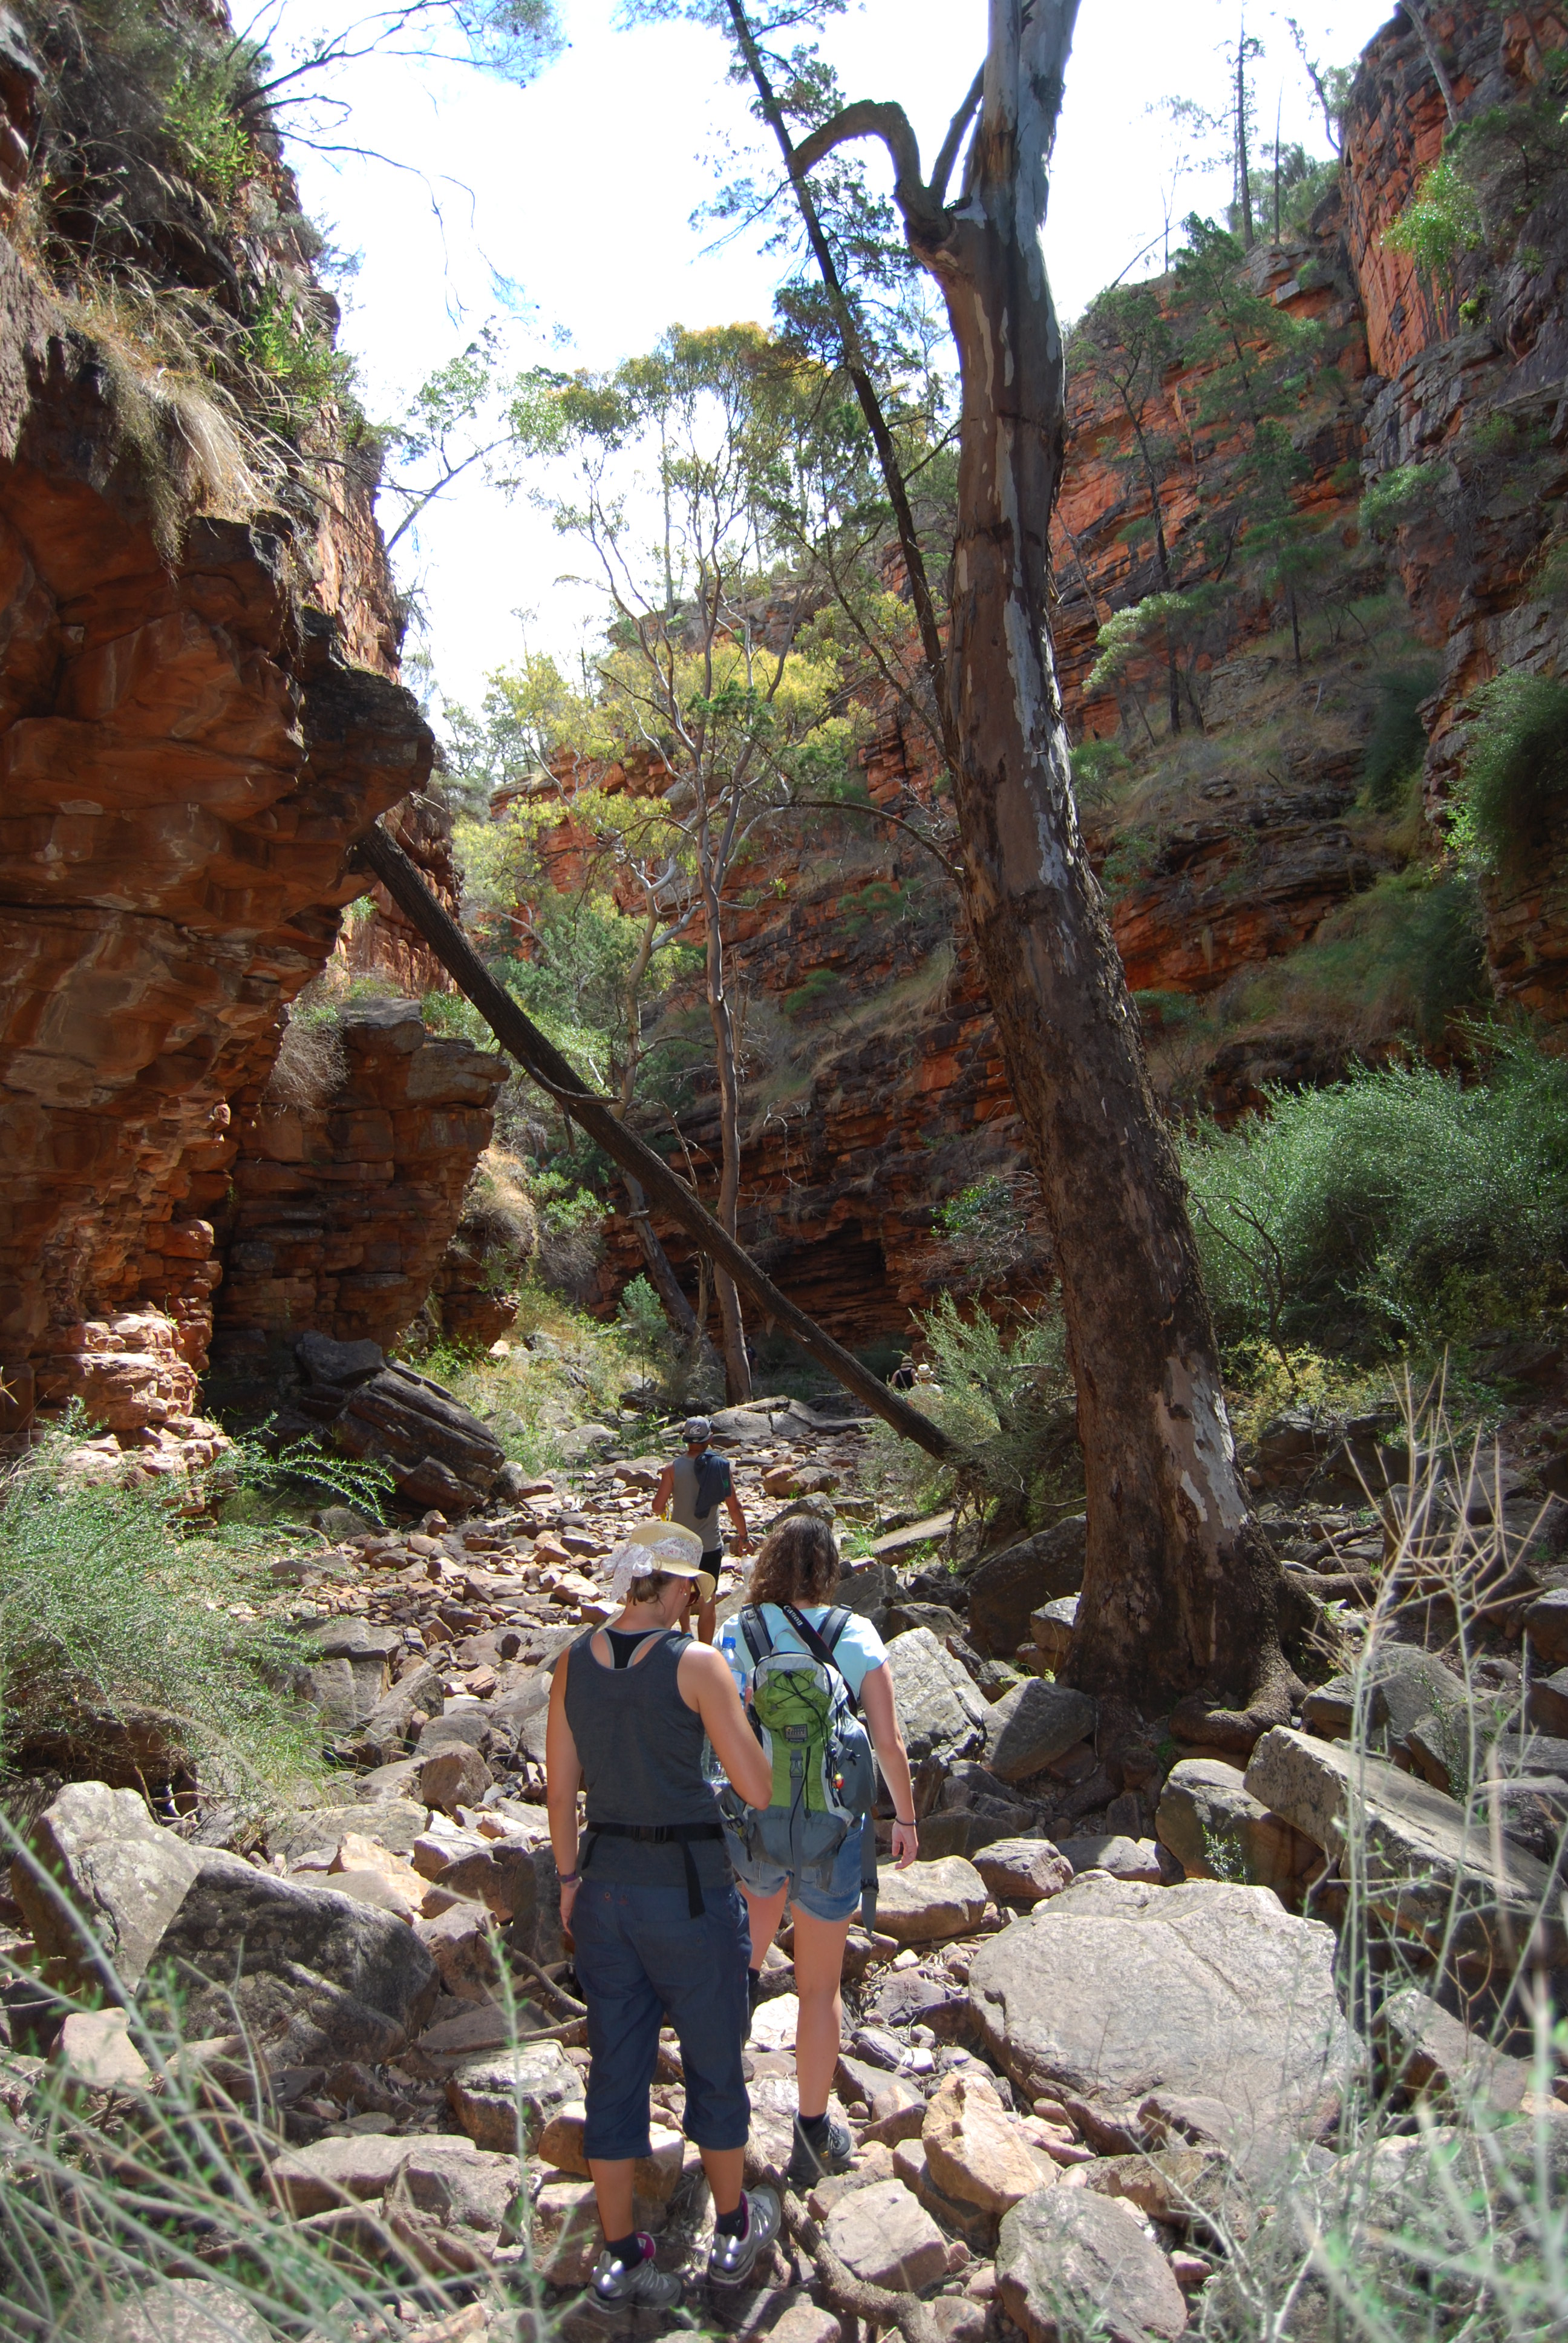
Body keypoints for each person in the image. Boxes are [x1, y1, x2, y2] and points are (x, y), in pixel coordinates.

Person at [546, 1520, 780, 2312]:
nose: (691, 1600)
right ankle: (733, 2231)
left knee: (616, 2066)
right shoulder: (698, 1664)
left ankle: (619, 2259)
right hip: (688, 1891)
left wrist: (569, 1881)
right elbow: (755, 1787)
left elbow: (561, 1790)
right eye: (691, 1587)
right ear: (676, 1584)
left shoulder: (572, 1662)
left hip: (605, 1888)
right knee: (714, 2057)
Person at [716, 1514, 920, 2189]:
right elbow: (888, 1742)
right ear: (830, 1569)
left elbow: (714, 1729)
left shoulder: (737, 1632)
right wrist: (905, 1818)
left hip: (756, 1821)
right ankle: (810, 2132)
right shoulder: (854, 1634)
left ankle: (720, 2100)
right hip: (833, 1832)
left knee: (742, 1962)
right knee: (819, 1988)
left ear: (769, 1563)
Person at [655, 1415, 751, 1643]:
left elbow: (657, 1506)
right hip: (709, 1546)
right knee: (708, 1600)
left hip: (681, 1544)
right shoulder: (720, 1467)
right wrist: (744, 1536)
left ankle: (685, 1632)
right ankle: (706, 1649)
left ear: (686, 1440)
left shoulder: (672, 1469)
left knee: (682, 1591)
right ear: (710, 1439)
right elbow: (734, 1507)